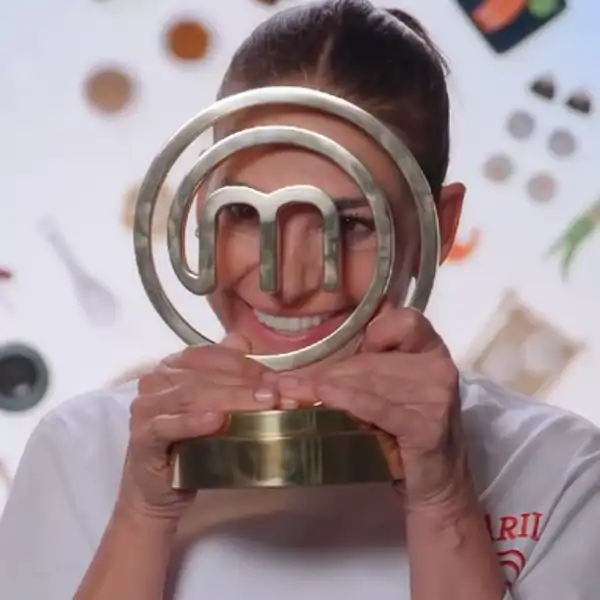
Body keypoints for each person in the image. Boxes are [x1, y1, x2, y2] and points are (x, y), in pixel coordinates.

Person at [1, 1, 599, 599]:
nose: (283, 282)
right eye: (244, 213)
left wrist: (444, 499)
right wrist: (141, 513)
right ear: (201, 209)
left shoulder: (557, 470)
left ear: (437, 229)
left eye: (353, 225)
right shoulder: (80, 451)